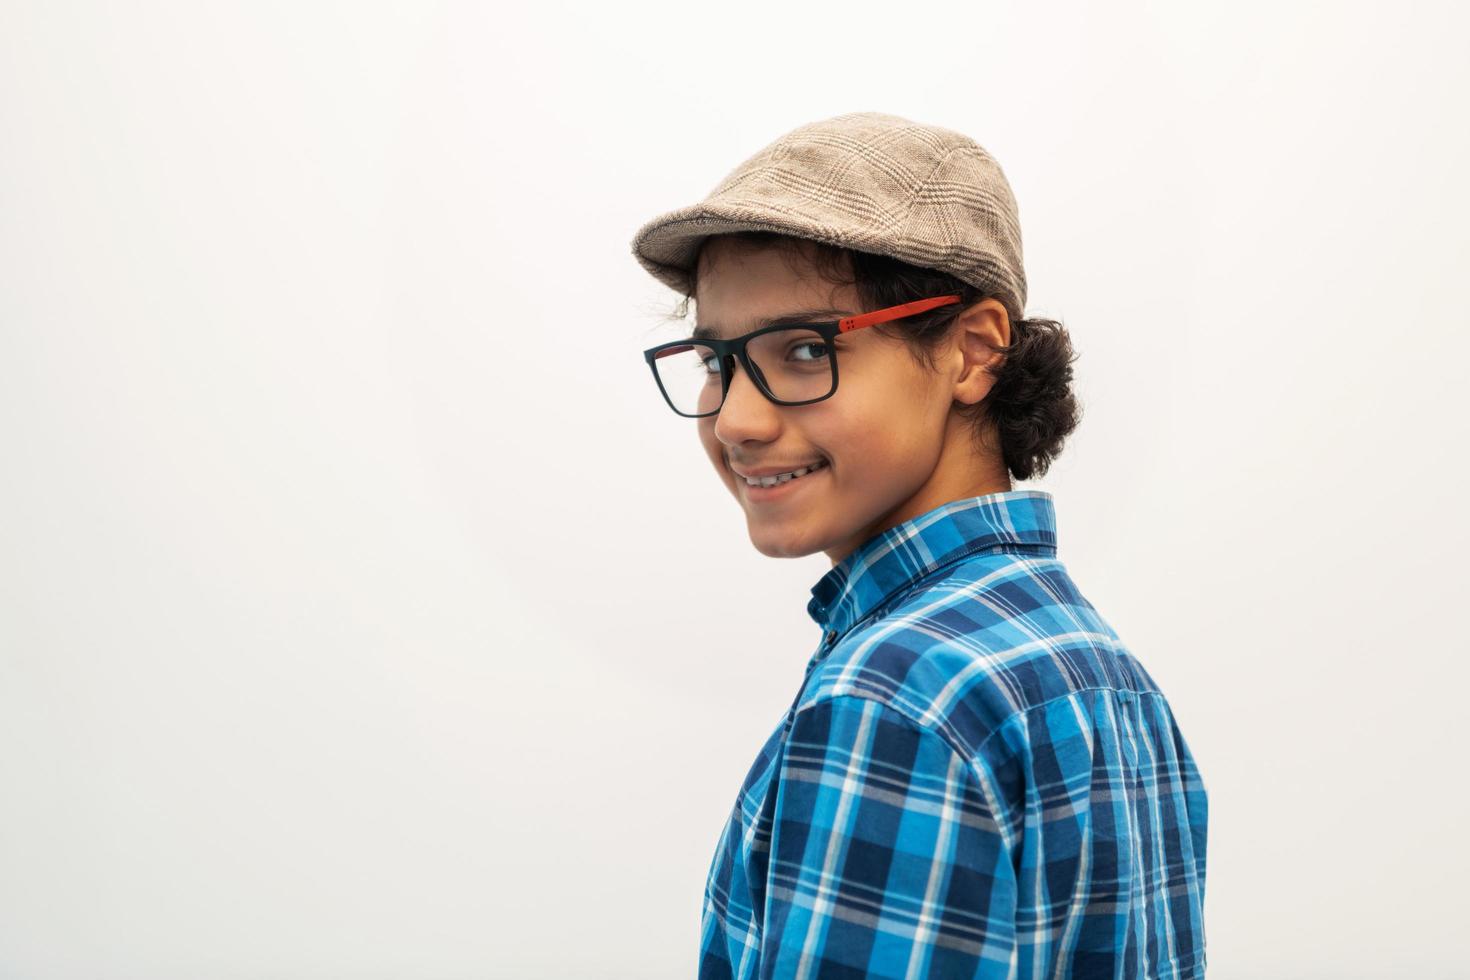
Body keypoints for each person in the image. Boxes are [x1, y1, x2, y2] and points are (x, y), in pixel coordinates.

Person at [630, 111, 1207, 979]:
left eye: (802, 349)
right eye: (716, 360)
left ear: (973, 352)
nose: (738, 421)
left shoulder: (896, 696)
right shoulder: (1098, 671)